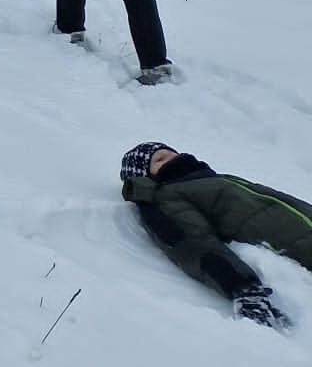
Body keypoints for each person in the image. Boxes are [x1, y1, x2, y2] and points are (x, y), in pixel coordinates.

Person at [119, 141, 310, 329]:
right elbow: (195, 244)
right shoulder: (166, 197)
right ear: (144, 176)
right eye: (160, 159)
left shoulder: (214, 179)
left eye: (172, 153)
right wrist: (243, 288)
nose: (173, 158)